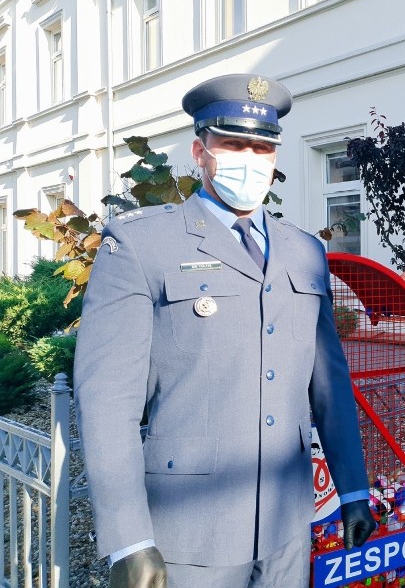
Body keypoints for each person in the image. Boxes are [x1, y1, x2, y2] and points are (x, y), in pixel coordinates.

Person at [74, 74, 376, 588]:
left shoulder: (303, 250)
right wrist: (129, 538)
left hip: (285, 523)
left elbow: (329, 383)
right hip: (191, 533)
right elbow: (106, 402)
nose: (250, 158)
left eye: (263, 147)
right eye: (234, 143)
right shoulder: (142, 243)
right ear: (200, 150)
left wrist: (352, 489)